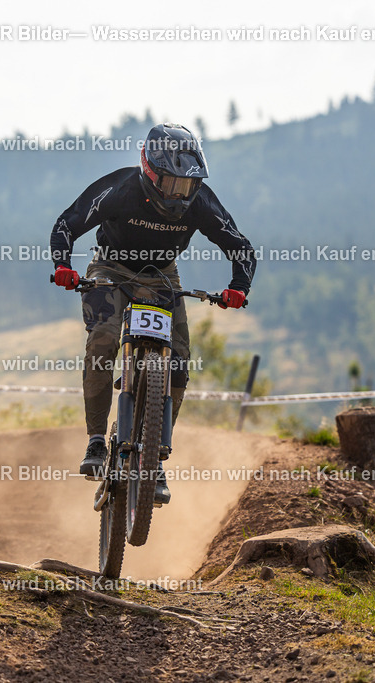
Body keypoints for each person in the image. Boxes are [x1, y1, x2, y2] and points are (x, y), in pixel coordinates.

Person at [50, 123, 256, 504]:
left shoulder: (201, 201)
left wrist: (238, 289)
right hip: (110, 268)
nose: (181, 194)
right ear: (148, 172)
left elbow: (240, 247)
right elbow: (67, 223)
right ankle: (97, 441)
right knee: (103, 339)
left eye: (188, 186)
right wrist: (64, 265)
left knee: (178, 364)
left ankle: (155, 457)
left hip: (162, 277)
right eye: (173, 184)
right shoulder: (120, 188)